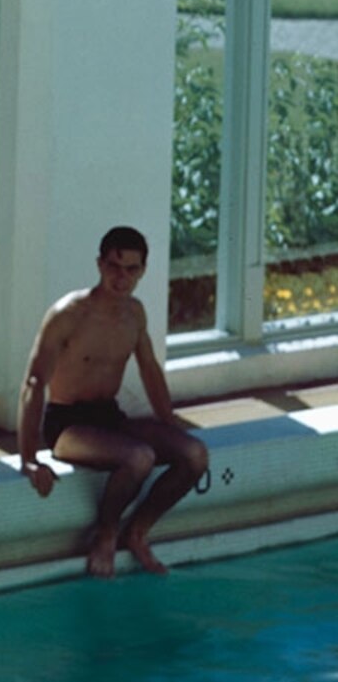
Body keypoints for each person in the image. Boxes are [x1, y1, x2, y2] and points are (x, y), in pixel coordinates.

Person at [18, 224, 207, 576]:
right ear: (100, 265)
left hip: (109, 417)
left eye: (131, 269)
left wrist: (169, 422)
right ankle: (105, 534)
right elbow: (33, 382)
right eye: (114, 267)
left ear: (142, 272)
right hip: (67, 424)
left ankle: (137, 532)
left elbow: (150, 369)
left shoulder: (134, 314)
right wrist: (28, 459)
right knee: (138, 458)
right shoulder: (69, 313)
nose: (121, 277)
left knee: (195, 454)